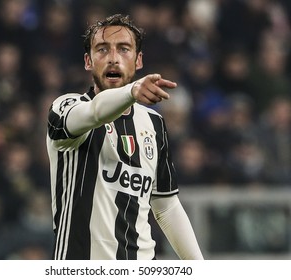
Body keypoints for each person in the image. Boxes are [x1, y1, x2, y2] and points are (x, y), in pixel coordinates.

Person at [46, 14, 203, 260]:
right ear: (88, 61)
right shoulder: (66, 108)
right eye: (102, 49)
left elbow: (166, 207)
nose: (113, 58)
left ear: (138, 60)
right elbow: (95, 112)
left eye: (124, 49)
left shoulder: (154, 123)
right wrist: (132, 90)